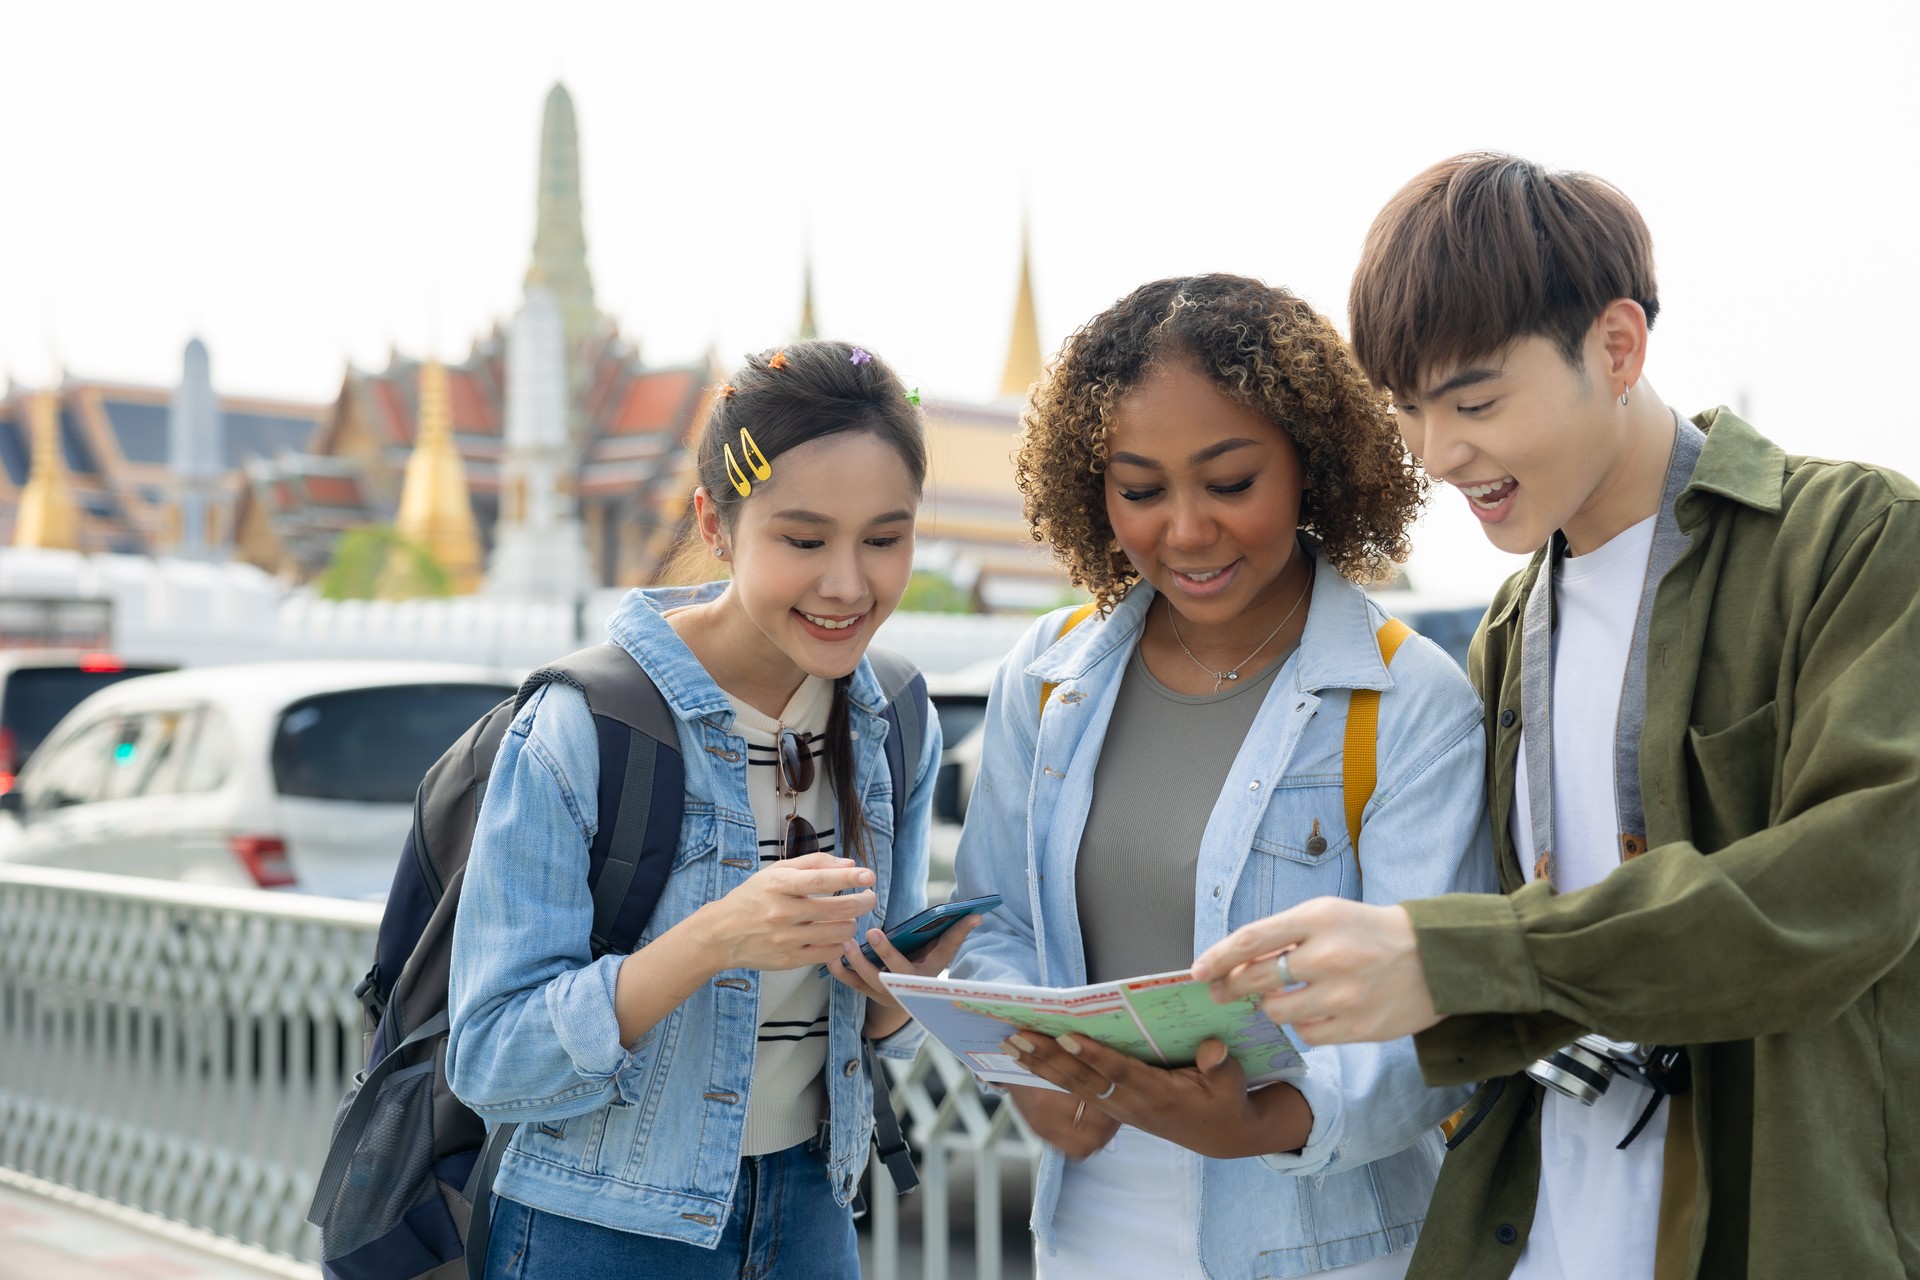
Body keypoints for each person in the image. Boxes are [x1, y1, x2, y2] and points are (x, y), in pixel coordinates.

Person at [1193, 153, 1920, 1280]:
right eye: (1410, 410)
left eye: (1476, 401)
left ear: (1618, 347)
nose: (1439, 454)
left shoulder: (1856, 541)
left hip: (1775, 1221)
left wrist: (1463, 957)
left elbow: (1857, 885)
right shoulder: (1506, 630)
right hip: (1537, 1226)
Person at [950, 274, 1495, 1280]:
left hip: (1326, 1238)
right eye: (1141, 489)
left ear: (1312, 469)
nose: (1185, 530)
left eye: (1231, 481)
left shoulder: (1408, 700)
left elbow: (1441, 1012)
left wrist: (1264, 1117)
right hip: (1090, 1226)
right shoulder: (1047, 674)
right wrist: (1027, 1073)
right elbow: (993, 924)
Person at [445, 340, 975, 1278]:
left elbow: (868, 1025)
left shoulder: (895, 715)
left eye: (885, 540)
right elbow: (493, 1059)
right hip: (598, 1226)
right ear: (717, 524)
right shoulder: (584, 727)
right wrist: (717, 936)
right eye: (804, 541)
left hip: (812, 1205)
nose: (849, 584)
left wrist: (897, 997)